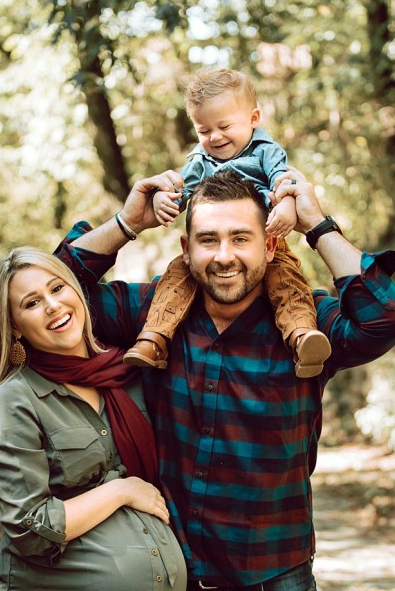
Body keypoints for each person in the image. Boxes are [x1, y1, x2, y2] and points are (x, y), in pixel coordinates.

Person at [53, 166, 395, 591]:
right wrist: (125, 223)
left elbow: (388, 316)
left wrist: (318, 224)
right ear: (186, 246)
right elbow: (55, 289)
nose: (224, 256)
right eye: (209, 239)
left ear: (270, 244)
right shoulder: (153, 320)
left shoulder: (308, 328)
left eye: (240, 238)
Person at [0, 248, 186, 591]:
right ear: (13, 328)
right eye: (30, 303)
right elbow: (29, 526)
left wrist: (133, 220)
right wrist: (120, 490)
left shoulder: (127, 372)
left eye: (57, 288)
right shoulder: (18, 399)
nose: (52, 306)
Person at [124, 67, 331, 377]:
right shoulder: (200, 159)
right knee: (174, 279)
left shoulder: (266, 152)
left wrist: (286, 207)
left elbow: (285, 184)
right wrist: (162, 201)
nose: (215, 137)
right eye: (204, 130)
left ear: (253, 118)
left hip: (265, 240)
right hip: (205, 250)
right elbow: (180, 191)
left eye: (224, 126)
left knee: (287, 284)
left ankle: (302, 336)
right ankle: (154, 338)